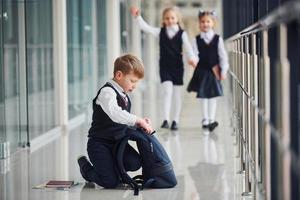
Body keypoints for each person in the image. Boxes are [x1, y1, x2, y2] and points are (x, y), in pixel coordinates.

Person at [77, 54, 154, 188]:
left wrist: (140, 123)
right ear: (119, 75)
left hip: (118, 142)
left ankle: (110, 168)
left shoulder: (123, 94)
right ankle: (85, 168)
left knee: (134, 163)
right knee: (110, 182)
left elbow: (123, 119)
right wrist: (137, 119)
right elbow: (115, 114)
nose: (135, 86)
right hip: (100, 144)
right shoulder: (107, 93)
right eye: (132, 81)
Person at [130, 6, 197, 130]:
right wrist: (138, 16)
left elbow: (188, 49)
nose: (170, 20)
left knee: (176, 94)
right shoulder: (160, 32)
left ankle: (175, 120)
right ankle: (166, 119)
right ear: (164, 20)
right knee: (167, 92)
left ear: (177, 19)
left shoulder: (182, 34)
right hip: (164, 66)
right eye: (167, 18)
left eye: (172, 18)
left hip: (177, 67)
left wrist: (192, 59)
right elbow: (146, 28)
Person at [187, 10, 229, 132]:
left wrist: (224, 70)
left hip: (214, 71)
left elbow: (223, 56)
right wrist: (192, 59)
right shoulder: (197, 39)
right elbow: (194, 54)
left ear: (213, 23)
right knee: (203, 96)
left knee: (213, 96)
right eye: (202, 22)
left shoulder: (218, 39)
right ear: (199, 24)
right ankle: (205, 119)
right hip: (201, 70)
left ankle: (211, 119)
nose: (205, 24)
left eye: (208, 21)